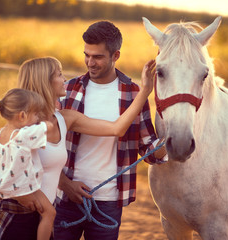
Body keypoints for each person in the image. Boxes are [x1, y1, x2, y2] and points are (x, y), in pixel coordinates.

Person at [0, 56, 159, 240]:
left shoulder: (65, 119)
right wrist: (20, 193)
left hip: (45, 219)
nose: (65, 79)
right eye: (59, 74)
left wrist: (144, 91)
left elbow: (117, 129)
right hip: (17, 216)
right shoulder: (23, 129)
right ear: (45, 82)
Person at [54, 21, 167, 240]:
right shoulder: (68, 90)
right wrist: (66, 185)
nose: (90, 62)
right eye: (86, 54)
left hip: (108, 202)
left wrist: (169, 143)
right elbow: (47, 146)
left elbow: (148, 148)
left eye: (97, 57)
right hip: (66, 199)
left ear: (116, 55)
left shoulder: (134, 94)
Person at [0, 88, 56, 240]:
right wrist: (46, 122)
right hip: (23, 187)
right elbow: (49, 127)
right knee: (49, 213)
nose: (37, 117)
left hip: (1, 186)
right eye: (35, 114)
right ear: (22, 115)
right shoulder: (23, 135)